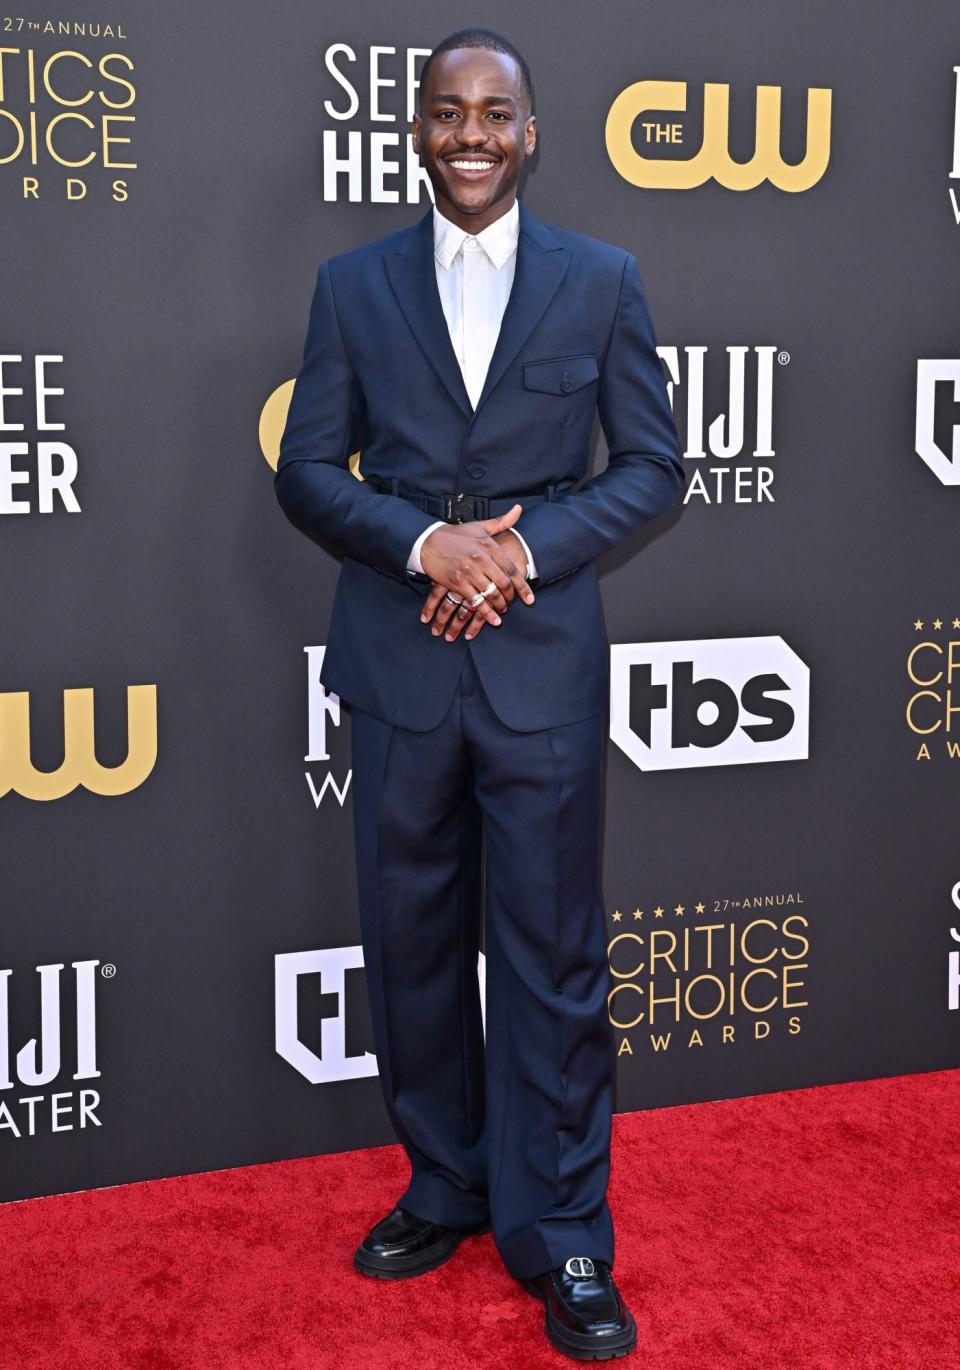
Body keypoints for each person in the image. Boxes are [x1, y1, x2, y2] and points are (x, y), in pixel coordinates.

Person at [274, 27, 684, 1362]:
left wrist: (511, 550)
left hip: (540, 668)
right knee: (411, 948)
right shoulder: (351, 286)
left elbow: (650, 468)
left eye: (493, 113)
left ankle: (567, 1233)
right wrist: (418, 544)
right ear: (414, 130)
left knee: (556, 960)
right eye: (446, 111)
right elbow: (308, 471)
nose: (469, 133)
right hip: (397, 662)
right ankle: (444, 1185)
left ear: (529, 133)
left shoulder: (603, 278)